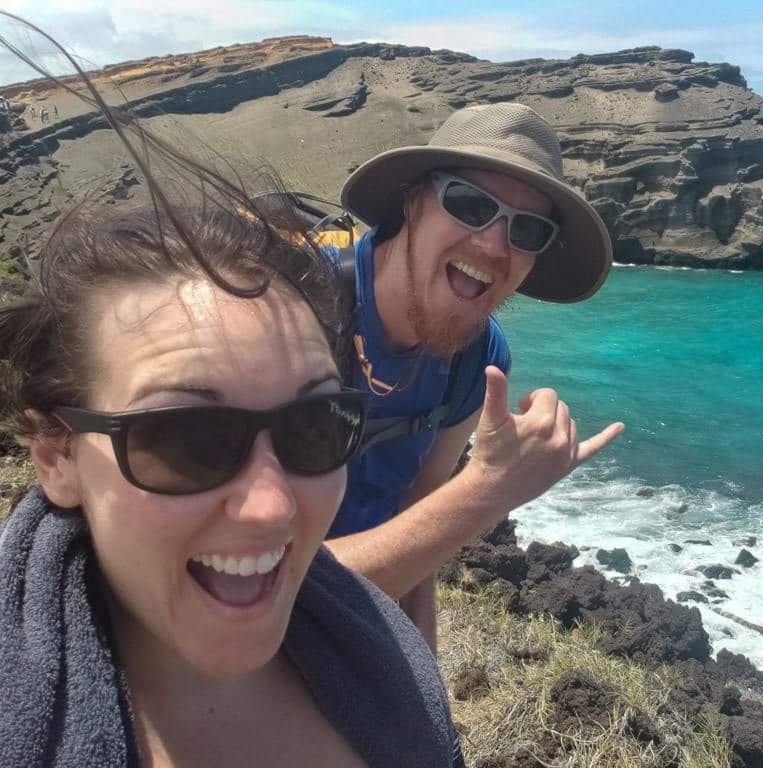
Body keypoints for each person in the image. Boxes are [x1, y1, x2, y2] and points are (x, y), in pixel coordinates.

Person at [0, 14, 463, 767]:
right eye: (187, 440)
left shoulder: (389, 672)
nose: (273, 504)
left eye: (315, 426)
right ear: (55, 455)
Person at [325, 102, 624, 649]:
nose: (492, 245)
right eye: (468, 204)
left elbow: (418, 518)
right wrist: (486, 491)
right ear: (412, 201)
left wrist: (423, 688)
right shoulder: (293, 310)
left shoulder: (477, 360)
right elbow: (260, 585)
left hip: (348, 624)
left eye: (528, 230)